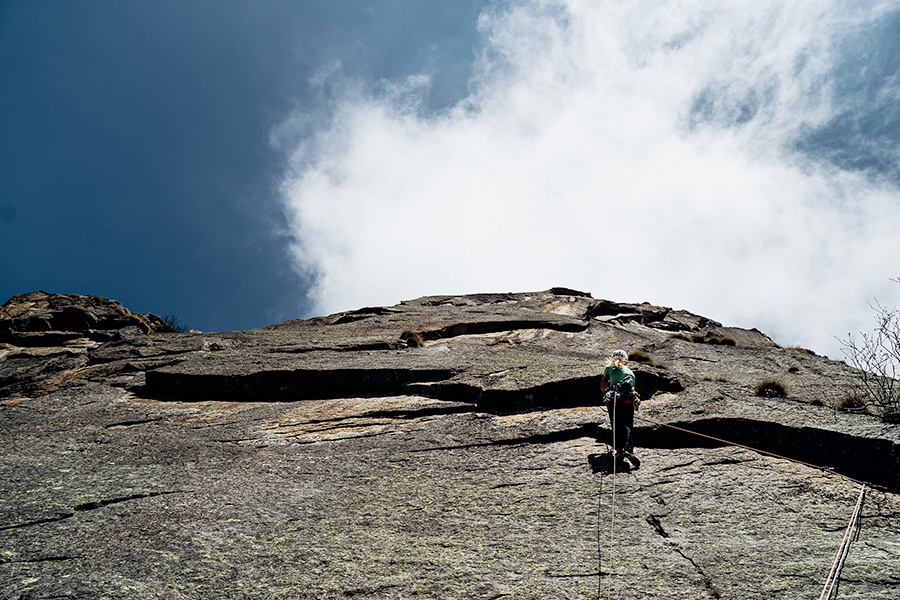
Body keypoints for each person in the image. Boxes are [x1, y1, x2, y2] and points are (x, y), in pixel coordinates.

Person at [601, 349, 641, 468]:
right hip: (628, 401)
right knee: (628, 425)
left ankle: (619, 451)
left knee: (616, 425)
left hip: (615, 400)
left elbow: (602, 387)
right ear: (626, 361)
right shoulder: (630, 373)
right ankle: (628, 449)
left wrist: (610, 383)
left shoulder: (610, 368)